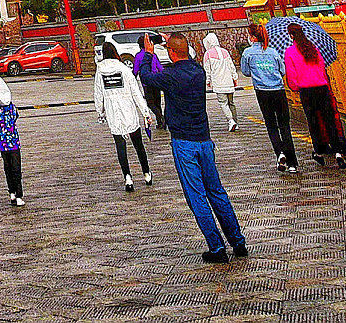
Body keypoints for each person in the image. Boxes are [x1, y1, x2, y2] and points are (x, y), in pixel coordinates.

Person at [155, 34, 251, 265]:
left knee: (196, 196)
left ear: (170, 51)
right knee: (217, 192)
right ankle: (237, 242)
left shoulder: (169, 76)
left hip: (183, 142)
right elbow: (185, 61)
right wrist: (174, 45)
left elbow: (147, 76)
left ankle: (216, 247)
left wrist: (149, 53)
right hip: (205, 140)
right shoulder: (199, 73)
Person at [276, 16, 346, 167]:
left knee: (313, 122)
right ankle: (338, 152)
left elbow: (292, 75)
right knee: (329, 120)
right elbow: (322, 68)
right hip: (322, 88)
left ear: (291, 35)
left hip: (307, 91)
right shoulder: (314, 48)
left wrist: (295, 88)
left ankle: (319, 151)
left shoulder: (290, 52)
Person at [93, 38, 157, 191]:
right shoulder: (123, 69)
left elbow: (98, 93)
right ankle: (146, 172)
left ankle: (127, 177)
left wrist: (100, 111)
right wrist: (145, 112)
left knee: (120, 147)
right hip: (128, 111)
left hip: (113, 113)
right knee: (138, 145)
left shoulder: (100, 71)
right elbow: (136, 92)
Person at [238, 21, 296, 174]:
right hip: (278, 90)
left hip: (262, 92)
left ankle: (280, 154)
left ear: (252, 37)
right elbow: (282, 71)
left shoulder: (247, 53)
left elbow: (245, 72)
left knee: (271, 125)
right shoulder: (273, 52)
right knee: (285, 125)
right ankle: (293, 164)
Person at [0, 76, 26, 207]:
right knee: (16, 169)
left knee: (8, 168)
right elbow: (16, 116)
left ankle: (12, 193)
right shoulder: (12, 108)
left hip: (3, 144)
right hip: (14, 143)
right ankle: (19, 195)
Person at [199, 34, 243, 133]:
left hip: (218, 83)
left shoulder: (208, 54)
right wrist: (235, 78)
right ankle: (236, 122)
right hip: (229, 81)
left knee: (223, 103)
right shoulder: (225, 52)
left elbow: (207, 70)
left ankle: (230, 121)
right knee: (231, 103)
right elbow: (231, 66)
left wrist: (208, 81)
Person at [133, 33, 167, 126]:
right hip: (156, 80)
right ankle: (161, 122)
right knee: (157, 102)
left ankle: (160, 116)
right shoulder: (154, 55)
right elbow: (160, 67)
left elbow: (135, 70)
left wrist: (133, 80)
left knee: (150, 103)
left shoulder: (138, 56)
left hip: (146, 83)